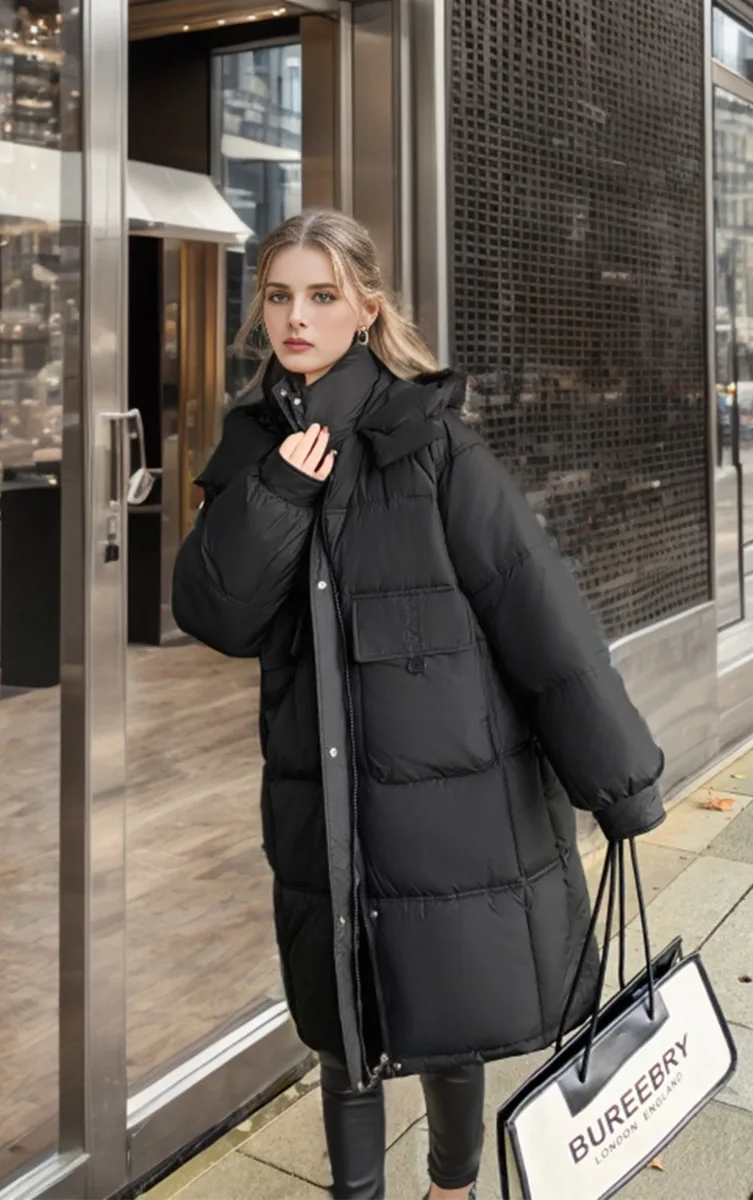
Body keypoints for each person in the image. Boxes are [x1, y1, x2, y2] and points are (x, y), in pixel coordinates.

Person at [171, 209, 665, 1200]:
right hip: (326, 802)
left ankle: (452, 1186)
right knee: (344, 1029)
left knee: (448, 1015)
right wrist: (274, 492)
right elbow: (215, 612)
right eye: (278, 296)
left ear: (365, 307)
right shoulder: (254, 446)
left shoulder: (433, 447)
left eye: (320, 295)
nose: (296, 317)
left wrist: (621, 784)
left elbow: (541, 617)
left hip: (451, 799)